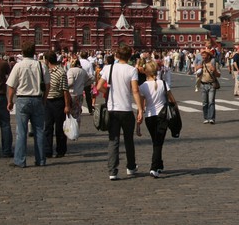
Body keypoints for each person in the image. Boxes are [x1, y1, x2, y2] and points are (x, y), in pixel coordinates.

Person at [96, 45, 141, 181]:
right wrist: (140, 109)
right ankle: (131, 167)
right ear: (129, 56)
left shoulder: (108, 68)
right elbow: (135, 91)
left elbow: (98, 87)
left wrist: (108, 94)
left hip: (112, 109)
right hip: (126, 109)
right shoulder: (132, 70)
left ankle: (112, 171)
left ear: (117, 55)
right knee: (128, 139)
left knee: (113, 140)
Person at [6, 42, 49, 168]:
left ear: (23, 52)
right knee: (39, 131)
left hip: (22, 100)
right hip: (37, 99)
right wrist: (44, 99)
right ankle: (41, 160)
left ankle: (20, 160)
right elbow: (47, 85)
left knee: (21, 131)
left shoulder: (18, 66)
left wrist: (10, 101)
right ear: (34, 52)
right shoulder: (41, 66)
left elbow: (11, 85)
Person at [138, 60, 175, 178]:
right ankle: (154, 167)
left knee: (156, 141)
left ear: (145, 72)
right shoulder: (163, 84)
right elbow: (172, 100)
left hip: (149, 117)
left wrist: (138, 123)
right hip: (162, 116)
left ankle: (159, 165)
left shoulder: (143, 86)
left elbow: (141, 105)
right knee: (158, 142)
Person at [43, 52, 71, 159]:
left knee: (60, 128)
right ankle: (47, 151)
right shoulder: (45, 72)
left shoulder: (61, 72)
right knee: (47, 127)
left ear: (47, 61)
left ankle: (61, 150)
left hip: (58, 102)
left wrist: (67, 105)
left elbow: (65, 90)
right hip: (48, 101)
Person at [197, 49, 220, 124]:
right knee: (204, 103)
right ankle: (206, 117)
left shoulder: (213, 63)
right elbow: (197, 74)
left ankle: (212, 118)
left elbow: (218, 75)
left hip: (211, 85)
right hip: (203, 84)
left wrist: (214, 70)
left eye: (204, 54)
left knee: (211, 102)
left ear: (209, 55)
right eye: (202, 55)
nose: (203, 56)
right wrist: (197, 68)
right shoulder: (201, 63)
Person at [66, 56, 87, 127]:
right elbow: (91, 78)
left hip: (71, 93)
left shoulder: (70, 71)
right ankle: (77, 128)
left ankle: (71, 128)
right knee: (77, 112)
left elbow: (71, 82)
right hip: (80, 94)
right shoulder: (83, 71)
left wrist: (65, 87)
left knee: (70, 111)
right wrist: (83, 84)